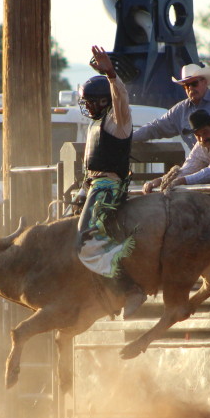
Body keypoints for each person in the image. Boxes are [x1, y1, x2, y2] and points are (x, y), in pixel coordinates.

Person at [76, 45, 144, 315]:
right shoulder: (97, 124)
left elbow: (122, 100)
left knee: (87, 238)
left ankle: (129, 289)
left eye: (93, 101)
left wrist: (112, 76)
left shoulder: (118, 120)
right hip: (93, 185)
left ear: (105, 101)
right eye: (87, 102)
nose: (89, 106)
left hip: (108, 186)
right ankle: (103, 292)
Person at [132, 62, 210, 150]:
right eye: (186, 86)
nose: (190, 88)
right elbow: (155, 128)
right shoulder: (180, 110)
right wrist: (128, 139)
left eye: (194, 83)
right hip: (200, 166)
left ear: (204, 82)